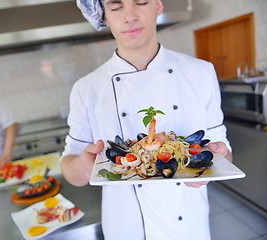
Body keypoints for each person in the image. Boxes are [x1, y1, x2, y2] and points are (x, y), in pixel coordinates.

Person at [61, 0, 233, 239]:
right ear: (104, 17)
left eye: (140, 1)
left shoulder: (201, 72)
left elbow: (223, 150)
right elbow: (69, 166)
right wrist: (82, 166)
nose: (129, 16)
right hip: (125, 229)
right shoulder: (86, 88)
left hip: (189, 227)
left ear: (158, 6)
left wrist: (216, 159)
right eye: (115, 6)